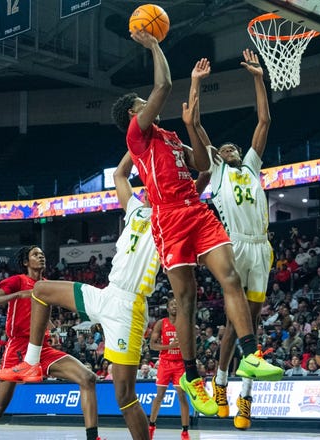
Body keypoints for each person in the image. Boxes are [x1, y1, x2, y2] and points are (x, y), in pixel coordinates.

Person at [110, 30, 283, 416]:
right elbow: (164, 84)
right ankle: (191, 375)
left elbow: (203, 165)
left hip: (195, 209)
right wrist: (154, 45)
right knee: (186, 300)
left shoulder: (169, 136)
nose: (149, 105)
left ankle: (251, 353)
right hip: (168, 219)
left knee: (231, 279)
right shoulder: (137, 135)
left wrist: (190, 124)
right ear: (133, 114)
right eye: (142, 104)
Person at [0, 152, 160, 440]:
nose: (149, 191)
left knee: (124, 396)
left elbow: (198, 184)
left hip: (129, 307)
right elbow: (120, 175)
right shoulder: (135, 208)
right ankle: (32, 362)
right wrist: (137, 138)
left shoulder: (169, 217)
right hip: (108, 294)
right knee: (41, 290)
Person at [187, 48, 273, 430]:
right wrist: (196, 85)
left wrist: (258, 77)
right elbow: (197, 125)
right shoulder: (217, 171)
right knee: (239, 328)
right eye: (223, 149)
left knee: (251, 326)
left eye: (233, 148)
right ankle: (222, 384)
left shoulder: (251, 166)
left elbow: (264, 120)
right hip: (235, 243)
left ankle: (243, 394)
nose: (229, 150)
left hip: (262, 245)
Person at [0, 246, 100, 440]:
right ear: (26, 262)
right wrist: (18, 295)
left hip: (43, 348)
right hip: (18, 349)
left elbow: (39, 317)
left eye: (42, 254)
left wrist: (52, 328)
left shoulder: (47, 285)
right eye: (35, 254)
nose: (40, 257)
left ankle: (93, 438)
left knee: (88, 378)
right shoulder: (18, 281)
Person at [148, 297, 191, 440]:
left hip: (180, 364)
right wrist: (169, 347)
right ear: (167, 308)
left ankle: (185, 431)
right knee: (159, 395)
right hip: (165, 363)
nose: (174, 307)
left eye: (176, 304)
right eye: (171, 305)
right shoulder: (161, 323)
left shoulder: (184, 323)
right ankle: (151, 426)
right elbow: (152, 345)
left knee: (181, 396)